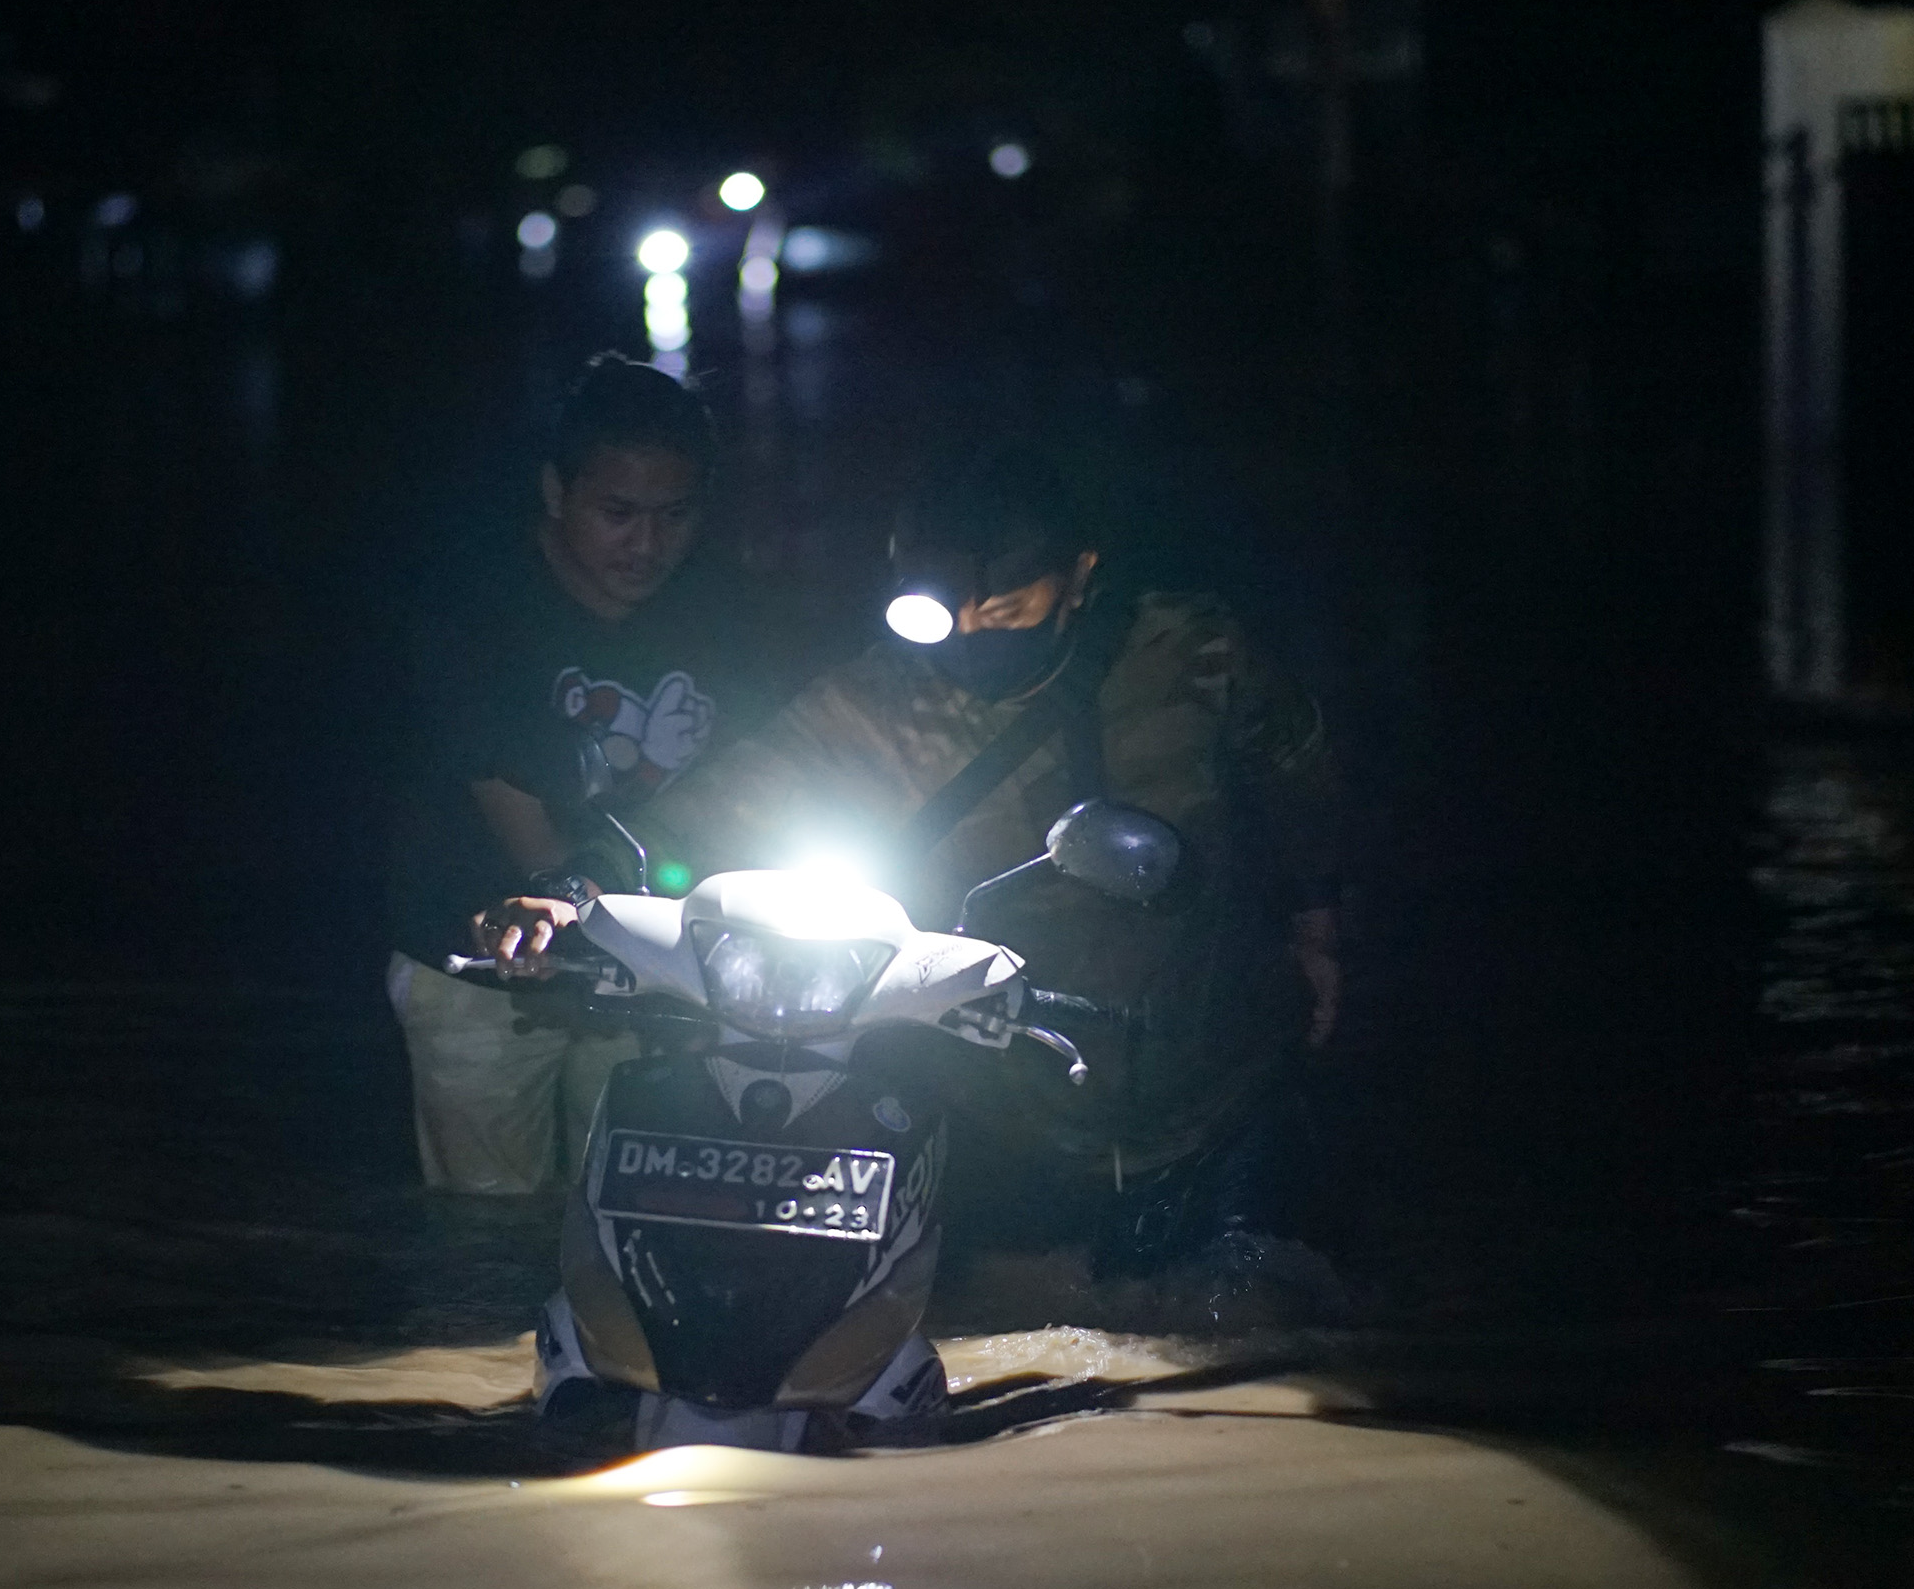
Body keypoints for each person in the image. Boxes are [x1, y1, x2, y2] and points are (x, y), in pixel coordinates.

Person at [477, 442, 1342, 1267]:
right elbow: (695, 819)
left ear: (1079, 578)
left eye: (1004, 609)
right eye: (939, 613)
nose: (971, 635)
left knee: (1249, 1328)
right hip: (1006, 1121)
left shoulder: (1191, 654)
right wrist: (571, 893)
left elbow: (1301, 775)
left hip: (1216, 1100)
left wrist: (1319, 925)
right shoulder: (874, 703)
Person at [385, 355, 777, 1194]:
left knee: (642, 1215)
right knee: (485, 1240)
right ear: (557, 493)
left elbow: (774, 768)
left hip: (661, 975)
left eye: (674, 515)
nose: (647, 545)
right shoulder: (478, 610)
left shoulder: (729, 610)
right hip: (481, 978)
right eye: (618, 513)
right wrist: (564, 893)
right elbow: (523, 823)